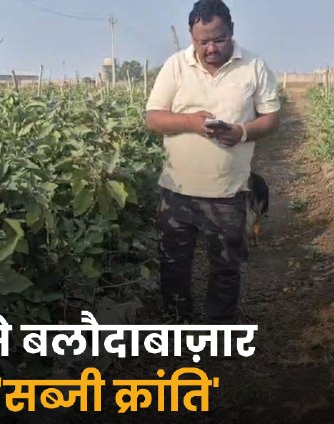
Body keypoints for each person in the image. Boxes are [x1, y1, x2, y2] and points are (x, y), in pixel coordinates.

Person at [145, 0, 281, 324]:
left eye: (218, 39)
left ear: (231, 32)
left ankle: (220, 330)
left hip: (228, 192)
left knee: (225, 267)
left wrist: (242, 132)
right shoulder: (175, 66)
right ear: (192, 37)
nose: (210, 48)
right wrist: (191, 123)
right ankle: (178, 324)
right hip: (177, 191)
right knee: (173, 266)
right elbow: (153, 118)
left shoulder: (254, 66)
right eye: (202, 41)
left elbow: (272, 119)